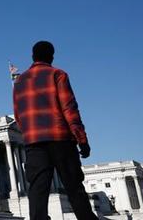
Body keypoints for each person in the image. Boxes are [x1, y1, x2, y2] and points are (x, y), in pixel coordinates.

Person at [13, 41, 97, 220]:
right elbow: (69, 108)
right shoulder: (57, 74)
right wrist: (82, 139)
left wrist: (30, 133)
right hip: (60, 139)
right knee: (74, 187)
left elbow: (18, 115)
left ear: (32, 56)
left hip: (34, 142)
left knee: (37, 190)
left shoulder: (19, 81)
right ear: (51, 56)